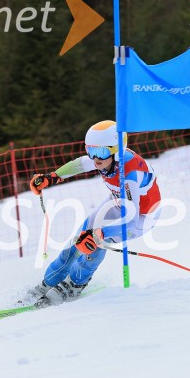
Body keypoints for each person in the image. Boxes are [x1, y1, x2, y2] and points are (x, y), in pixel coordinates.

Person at [29, 120, 161, 305]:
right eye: (90, 150)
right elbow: (78, 165)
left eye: (101, 152)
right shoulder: (104, 159)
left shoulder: (130, 173)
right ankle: (49, 281)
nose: (95, 158)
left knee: (95, 242)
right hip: (117, 203)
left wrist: (101, 233)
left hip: (141, 217)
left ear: (116, 151)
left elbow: (130, 219)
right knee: (79, 238)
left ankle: (75, 284)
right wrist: (52, 177)